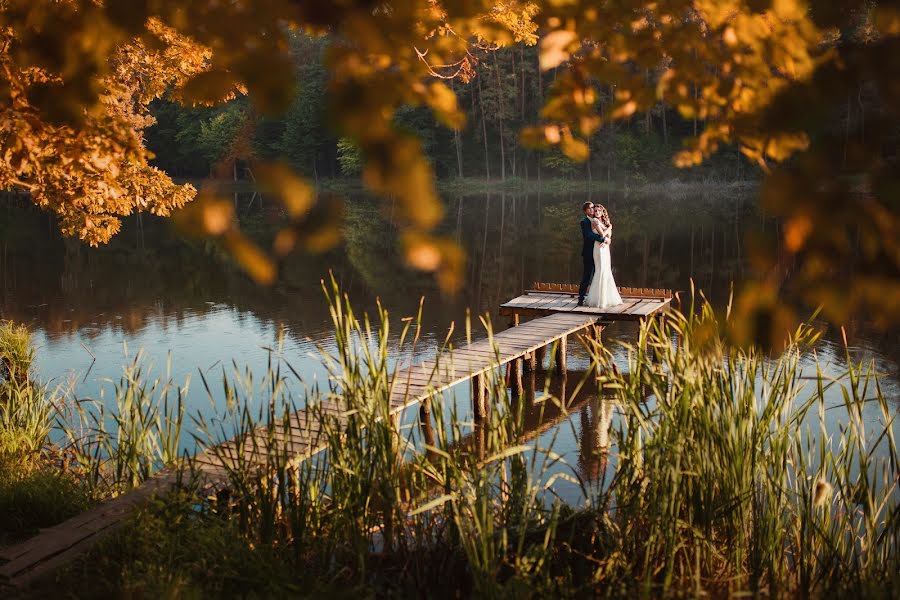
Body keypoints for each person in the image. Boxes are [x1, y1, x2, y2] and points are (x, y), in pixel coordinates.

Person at [583, 204, 623, 308]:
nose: (596, 212)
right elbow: (602, 235)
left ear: (602, 212)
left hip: (605, 248)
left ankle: (608, 297)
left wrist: (607, 241)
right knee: (600, 270)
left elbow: (609, 237)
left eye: (598, 211)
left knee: (607, 270)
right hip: (598, 248)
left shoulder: (604, 222)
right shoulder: (595, 221)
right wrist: (609, 228)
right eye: (595, 211)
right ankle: (598, 299)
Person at [578, 202, 606, 306]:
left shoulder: (598, 220)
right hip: (589, 253)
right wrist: (602, 239)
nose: (592, 210)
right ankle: (581, 298)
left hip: (599, 252)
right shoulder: (584, 222)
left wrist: (607, 239)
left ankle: (597, 298)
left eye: (593, 208)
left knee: (598, 274)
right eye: (590, 208)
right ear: (585, 211)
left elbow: (607, 229)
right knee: (587, 275)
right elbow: (589, 235)